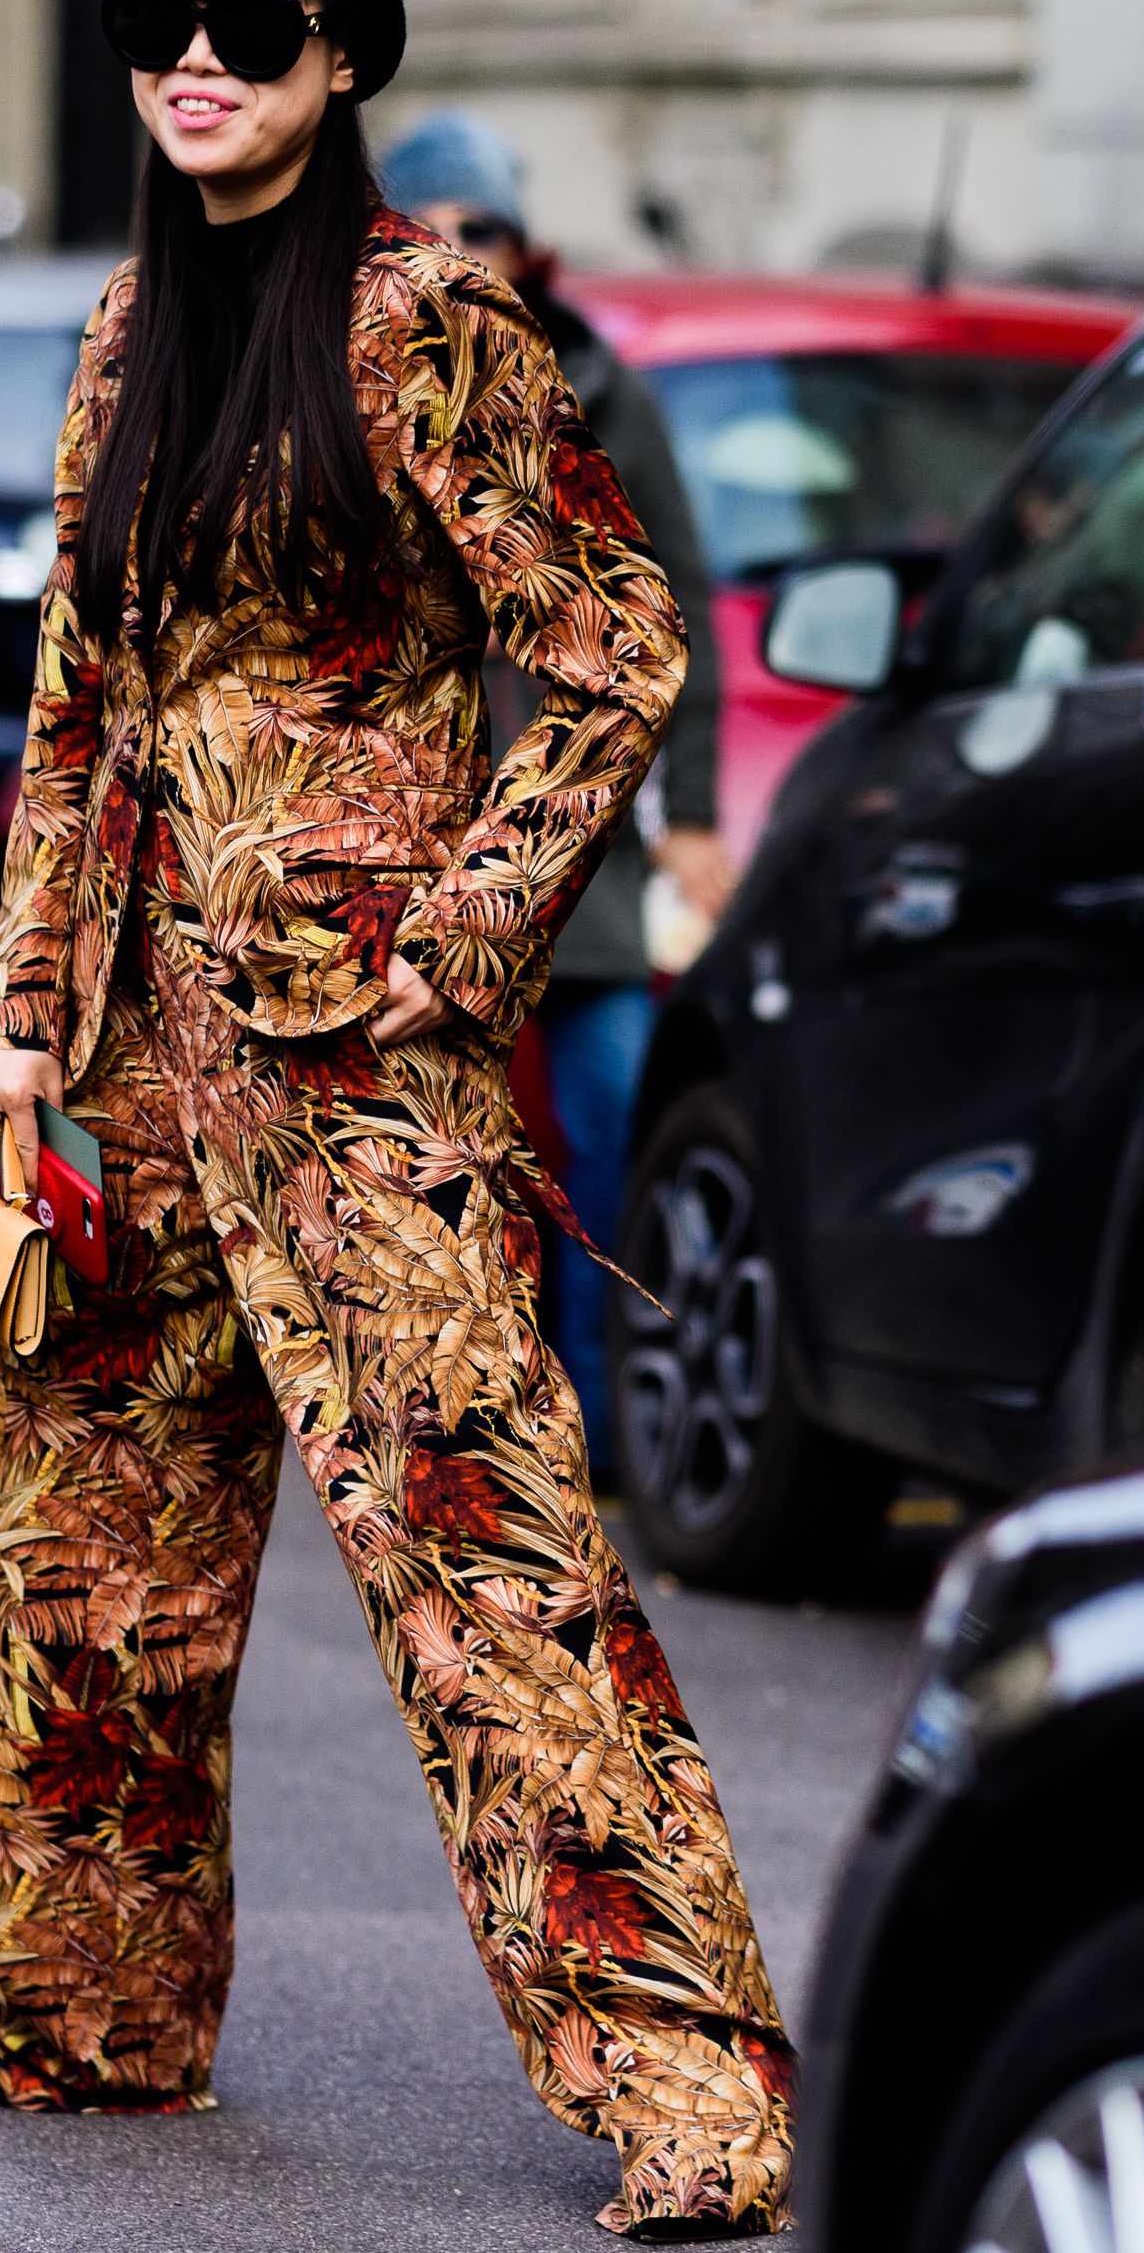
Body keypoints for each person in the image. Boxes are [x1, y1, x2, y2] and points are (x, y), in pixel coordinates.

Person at [0, 0, 793, 2241]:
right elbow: (78, 713)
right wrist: (12, 1033)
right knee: (80, 1566)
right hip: (126, 1083)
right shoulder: (117, 335)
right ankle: (79, 2016)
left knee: (489, 1566)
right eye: (154, 15)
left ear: (344, 57)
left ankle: (692, 2087)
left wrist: (464, 938)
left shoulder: (430, 331)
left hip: (355, 1070)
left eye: (249, 24)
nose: (194, 57)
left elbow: (606, 646)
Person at [381, 113, 735, 1475]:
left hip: (568, 864)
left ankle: (586, 1445)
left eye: (490, 233)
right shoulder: (361, 376)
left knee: (610, 1140)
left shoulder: (592, 389)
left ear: (528, 249)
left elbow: (672, 607)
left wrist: (688, 813)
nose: (468, 256)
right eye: (439, 229)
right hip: (411, 855)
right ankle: (434, 1431)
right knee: (420, 1166)